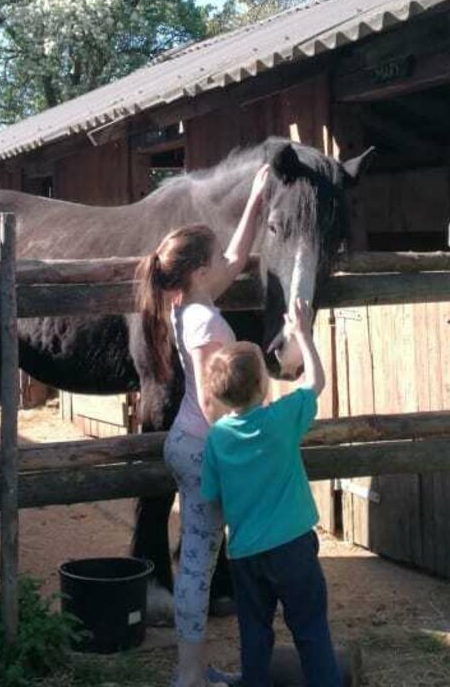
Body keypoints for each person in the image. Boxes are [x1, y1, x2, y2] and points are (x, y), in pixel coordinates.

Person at [135, 164, 272, 687]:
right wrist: (248, 449)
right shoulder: (202, 323)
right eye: (211, 259)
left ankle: (195, 670)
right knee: (196, 563)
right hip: (203, 447)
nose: (224, 264)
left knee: (201, 556)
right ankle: (189, 674)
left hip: (189, 444)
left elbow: (235, 258)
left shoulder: (189, 301)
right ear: (195, 271)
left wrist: (257, 199)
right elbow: (215, 401)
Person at [201, 299, 341, 687]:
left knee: (255, 634)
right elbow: (315, 382)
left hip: (246, 553)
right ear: (264, 384)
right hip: (293, 545)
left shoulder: (216, 439)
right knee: (311, 629)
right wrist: (303, 335)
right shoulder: (282, 418)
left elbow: (211, 494)